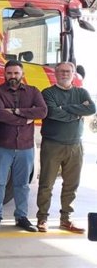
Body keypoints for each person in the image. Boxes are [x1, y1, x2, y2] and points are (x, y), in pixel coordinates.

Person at [0, 60, 47, 232]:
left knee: (22, 185)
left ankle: (21, 217)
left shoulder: (33, 91)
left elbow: (42, 111)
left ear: (22, 74)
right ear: (4, 74)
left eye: (16, 73)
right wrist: (27, 117)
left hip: (25, 147)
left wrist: (16, 111)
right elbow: (0, 115)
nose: (12, 76)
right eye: (9, 73)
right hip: (1, 146)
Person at [36, 62, 95, 233]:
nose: (64, 74)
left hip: (75, 145)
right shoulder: (48, 93)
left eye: (68, 71)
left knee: (72, 184)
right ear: (55, 73)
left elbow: (91, 108)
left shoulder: (81, 92)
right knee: (46, 183)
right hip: (52, 145)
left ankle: (66, 219)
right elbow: (53, 113)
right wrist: (77, 113)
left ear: (74, 73)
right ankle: (42, 218)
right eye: (61, 71)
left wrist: (66, 109)